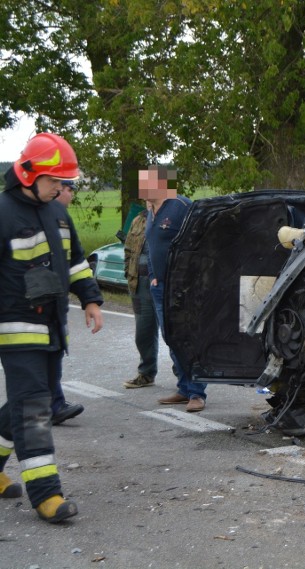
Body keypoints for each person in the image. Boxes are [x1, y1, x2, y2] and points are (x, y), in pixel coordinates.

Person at [0, 133, 103, 523]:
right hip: (15, 330)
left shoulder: (56, 212)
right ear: (28, 174)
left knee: (26, 402)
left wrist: (90, 299)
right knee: (33, 408)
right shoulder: (2, 213)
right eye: (55, 181)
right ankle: (46, 494)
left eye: (65, 182)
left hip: (52, 330)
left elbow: (75, 261)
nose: (62, 189)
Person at [140, 165, 207, 412]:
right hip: (160, 287)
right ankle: (183, 388)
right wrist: (155, 276)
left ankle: (197, 393)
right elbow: (154, 246)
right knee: (170, 337)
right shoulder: (151, 210)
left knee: (187, 338)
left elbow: (200, 243)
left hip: (182, 287)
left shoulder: (181, 207)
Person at [49, 179, 86, 425]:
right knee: (32, 374)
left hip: (54, 303)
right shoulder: (26, 214)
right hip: (24, 310)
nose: (71, 195)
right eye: (69, 189)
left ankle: (54, 404)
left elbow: (75, 261)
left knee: (53, 355)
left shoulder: (61, 217)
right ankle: (50, 405)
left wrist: (90, 299)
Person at [121, 208, 159, 389]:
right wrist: (128, 274)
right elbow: (128, 249)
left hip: (163, 284)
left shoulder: (172, 217)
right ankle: (146, 374)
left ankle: (184, 380)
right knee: (143, 333)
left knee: (172, 333)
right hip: (139, 286)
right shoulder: (138, 220)